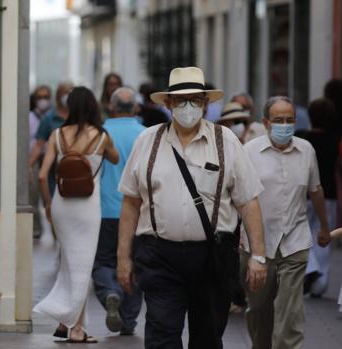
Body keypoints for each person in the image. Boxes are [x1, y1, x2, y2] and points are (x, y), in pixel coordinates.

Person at [117, 67, 267, 349]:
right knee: (161, 337)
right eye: (181, 100)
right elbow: (131, 203)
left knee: (208, 339)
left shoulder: (226, 142)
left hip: (213, 256)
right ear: (168, 103)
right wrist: (123, 259)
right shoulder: (147, 141)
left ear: (206, 104)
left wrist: (258, 255)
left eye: (196, 100)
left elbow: (248, 201)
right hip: (159, 254)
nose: (189, 106)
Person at [241, 96, 331, 349]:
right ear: (266, 123)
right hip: (257, 245)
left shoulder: (306, 150)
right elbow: (239, 196)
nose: (284, 125)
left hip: (295, 240)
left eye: (289, 120)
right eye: (278, 120)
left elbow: (315, 190)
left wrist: (323, 226)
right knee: (259, 309)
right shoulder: (249, 152)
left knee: (289, 309)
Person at [34, 86, 119, 343]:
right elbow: (114, 159)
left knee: (69, 264)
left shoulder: (57, 134)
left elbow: (41, 175)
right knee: (82, 266)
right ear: (94, 106)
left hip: (62, 204)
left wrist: (48, 205)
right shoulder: (102, 137)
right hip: (87, 208)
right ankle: (78, 329)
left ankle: (64, 323)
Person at [92, 87, 145, 336]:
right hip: (137, 213)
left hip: (104, 210)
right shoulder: (146, 135)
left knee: (103, 261)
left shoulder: (100, 134)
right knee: (134, 263)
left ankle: (110, 291)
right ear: (135, 108)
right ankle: (129, 320)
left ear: (111, 107)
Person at [296, 98, 338, 297]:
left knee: (300, 231)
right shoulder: (335, 140)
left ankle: (310, 268)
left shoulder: (301, 139)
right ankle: (320, 282)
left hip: (302, 193)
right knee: (323, 235)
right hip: (328, 194)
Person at [29, 81, 74, 197]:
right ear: (58, 96)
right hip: (54, 170)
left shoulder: (77, 116)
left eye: (70, 93)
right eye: (64, 93)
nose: (67, 96)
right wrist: (30, 165)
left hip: (75, 166)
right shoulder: (49, 119)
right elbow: (39, 145)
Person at [29, 85, 53, 238]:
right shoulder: (29, 116)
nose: (43, 100)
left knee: (51, 195)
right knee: (33, 195)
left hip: (51, 160)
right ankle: (36, 230)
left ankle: (55, 231)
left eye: (46, 97)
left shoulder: (53, 117)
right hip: (35, 159)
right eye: (40, 97)